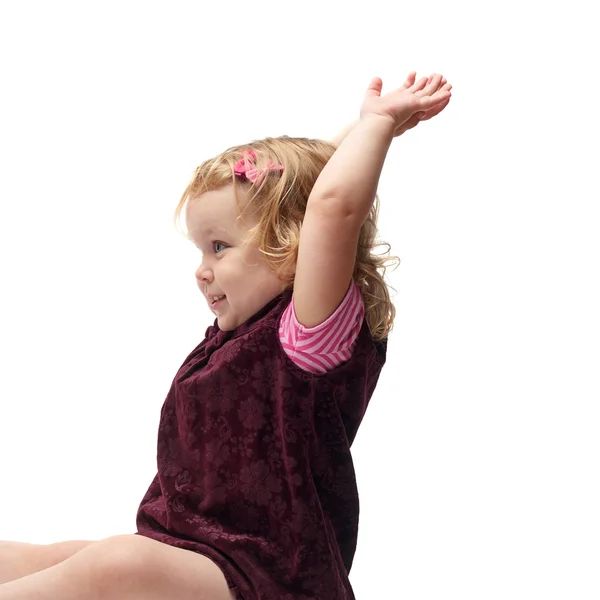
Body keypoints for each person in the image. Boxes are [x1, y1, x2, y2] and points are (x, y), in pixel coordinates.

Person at [0, 71, 451, 600]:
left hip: (267, 578)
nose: (201, 269)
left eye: (219, 247)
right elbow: (302, 187)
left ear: (291, 243)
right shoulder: (242, 330)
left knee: (117, 563)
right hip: (194, 551)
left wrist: (377, 125)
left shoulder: (307, 337)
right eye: (199, 249)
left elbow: (328, 206)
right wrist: (357, 131)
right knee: (46, 556)